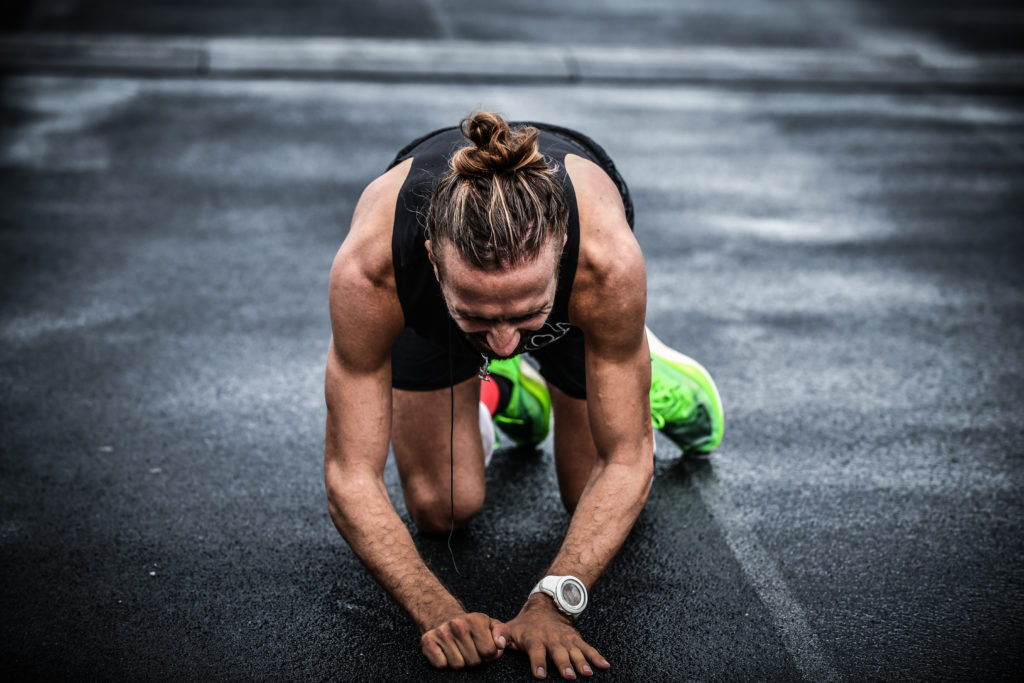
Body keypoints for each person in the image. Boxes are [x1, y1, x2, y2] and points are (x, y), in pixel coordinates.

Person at [323, 112, 724, 679]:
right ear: (435, 261)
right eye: (482, 315)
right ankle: (496, 387)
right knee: (442, 510)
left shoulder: (605, 265)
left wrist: (553, 601)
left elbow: (627, 459)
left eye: (525, 315)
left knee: (586, 495)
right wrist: (436, 610)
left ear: (561, 251)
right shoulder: (373, 273)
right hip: (438, 320)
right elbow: (349, 474)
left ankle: (648, 377)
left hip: (577, 316)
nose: (509, 341)